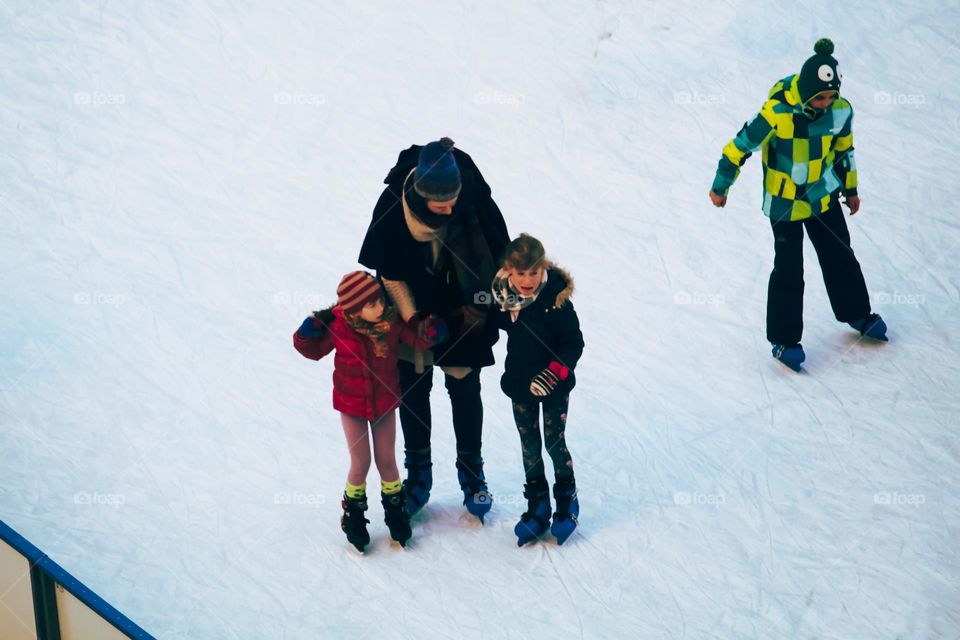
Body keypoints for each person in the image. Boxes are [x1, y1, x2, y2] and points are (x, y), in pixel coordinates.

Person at [708, 38, 887, 371]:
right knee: (789, 270)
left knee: (840, 256)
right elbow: (738, 148)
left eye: (831, 96)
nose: (826, 103)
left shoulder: (841, 111)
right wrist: (721, 185)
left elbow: (844, 152)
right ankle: (784, 340)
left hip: (823, 197)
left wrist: (850, 189)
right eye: (820, 97)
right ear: (805, 91)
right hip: (785, 204)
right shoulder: (777, 113)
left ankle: (858, 314)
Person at [358, 137, 509, 521]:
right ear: (422, 195)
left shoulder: (471, 198)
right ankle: (418, 476)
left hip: (465, 309)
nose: (450, 208)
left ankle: (472, 475)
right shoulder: (393, 205)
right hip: (413, 309)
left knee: (464, 385)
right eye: (441, 204)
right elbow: (389, 272)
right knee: (413, 387)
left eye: (453, 200)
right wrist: (413, 321)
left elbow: (498, 257)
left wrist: (495, 307)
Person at [292, 271, 446, 551]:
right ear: (353, 310)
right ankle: (353, 514)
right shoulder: (339, 327)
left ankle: (396, 511)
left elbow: (415, 339)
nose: (380, 307)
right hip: (352, 406)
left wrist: (431, 332)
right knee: (360, 462)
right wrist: (305, 334)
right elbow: (314, 351)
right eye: (372, 304)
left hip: (384, 403)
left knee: (387, 460)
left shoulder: (390, 323)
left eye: (380, 301)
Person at [490, 234, 584, 545]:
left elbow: (573, 342)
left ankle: (567, 499)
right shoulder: (504, 298)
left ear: (543, 268)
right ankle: (538, 504)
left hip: (553, 386)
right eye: (521, 273)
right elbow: (489, 326)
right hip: (521, 384)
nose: (528, 280)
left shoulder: (555, 300)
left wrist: (555, 372)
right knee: (529, 445)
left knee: (554, 443)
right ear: (509, 270)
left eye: (533, 272)